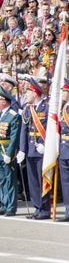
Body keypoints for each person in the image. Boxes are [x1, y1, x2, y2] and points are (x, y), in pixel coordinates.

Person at [17, 77, 51, 219]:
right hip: (31, 150)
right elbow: (24, 131)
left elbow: (51, 129)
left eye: (28, 92)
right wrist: (22, 150)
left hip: (42, 150)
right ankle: (37, 207)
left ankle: (45, 209)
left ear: (35, 92)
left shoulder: (47, 108)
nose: (26, 95)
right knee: (33, 181)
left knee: (43, 179)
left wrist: (47, 145)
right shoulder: (27, 109)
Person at [0, 87, 21, 217]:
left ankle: (11, 207)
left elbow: (14, 137)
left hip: (5, 152)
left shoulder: (14, 116)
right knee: (2, 180)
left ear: (5, 101)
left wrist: (9, 153)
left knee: (10, 180)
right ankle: (3, 204)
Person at [58, 78, 69, 222]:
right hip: (63, 148)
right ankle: (68, 210)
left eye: (64, 91)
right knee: (66, 183)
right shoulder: (62, 108)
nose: (62, 94)